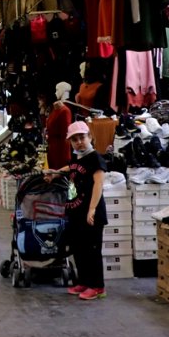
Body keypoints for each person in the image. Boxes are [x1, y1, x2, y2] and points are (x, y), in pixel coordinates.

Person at [47, 121, 107, 301]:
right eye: (74, 139)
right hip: (76, 212)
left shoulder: (95, 158)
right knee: (79, 249)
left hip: (91, 213)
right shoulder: (77, 157)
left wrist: (92, 209)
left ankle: (97, 286)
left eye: (82, 137)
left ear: (90, 137)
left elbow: (99, 184)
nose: (79, 142)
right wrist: (57, 172)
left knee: (92, 251)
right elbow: (71, 169)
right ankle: (84, 281)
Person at [45, 85, 73, 171]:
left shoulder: (65, 111)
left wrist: (64, 155)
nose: (55, 92)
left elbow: (66, 134)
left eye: (57, 90)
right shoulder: (55, 109)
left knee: (58, 174)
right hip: (52, 147)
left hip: (60, 150)